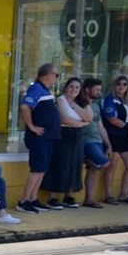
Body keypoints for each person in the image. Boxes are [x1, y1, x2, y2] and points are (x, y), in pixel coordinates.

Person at [38, 76, 89, 210]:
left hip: (78, 136)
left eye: (77, 87)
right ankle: (53, 197)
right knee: (59, 164)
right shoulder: (60, 100)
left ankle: (68, 196)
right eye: (71, 86)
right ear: (66, 87)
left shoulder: (82, 102)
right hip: (63, 135)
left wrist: (75, 106)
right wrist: (82, 123)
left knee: (74, 165)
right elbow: (65, 119)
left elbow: (89, 117)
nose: (74, 90)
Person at [15, 63, 60, 214]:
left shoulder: (44, 90)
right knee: (37, 169)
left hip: (48, 137)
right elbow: (25, 107)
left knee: (42, 169)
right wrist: (32, 126)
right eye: (56, 75)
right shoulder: (36, 88)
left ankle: (33, 198)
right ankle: (24, 201)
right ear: (48, 74)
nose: (56, 78)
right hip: (39, 138)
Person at [101, 75, 128, 204]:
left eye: (124, 84)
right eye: (118, 84)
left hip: (125, 136)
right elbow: (112, 119)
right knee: (112, 165)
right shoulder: (109, 99)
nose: (121, 86)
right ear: (114, 85)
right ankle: (109, 195)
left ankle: (124, 194)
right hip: (113, 135)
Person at [77, 78, 112, 208]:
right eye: (96, 89)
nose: (99, 92)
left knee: (93, 170)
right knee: (104, 163)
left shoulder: (96, 105)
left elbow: (100, 126)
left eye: (99, 90)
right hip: (87, 141)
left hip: (98, 140)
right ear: (87, 90)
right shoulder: (80, 104)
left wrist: (108, 144)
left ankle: (89, 199)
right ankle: (82, 158)